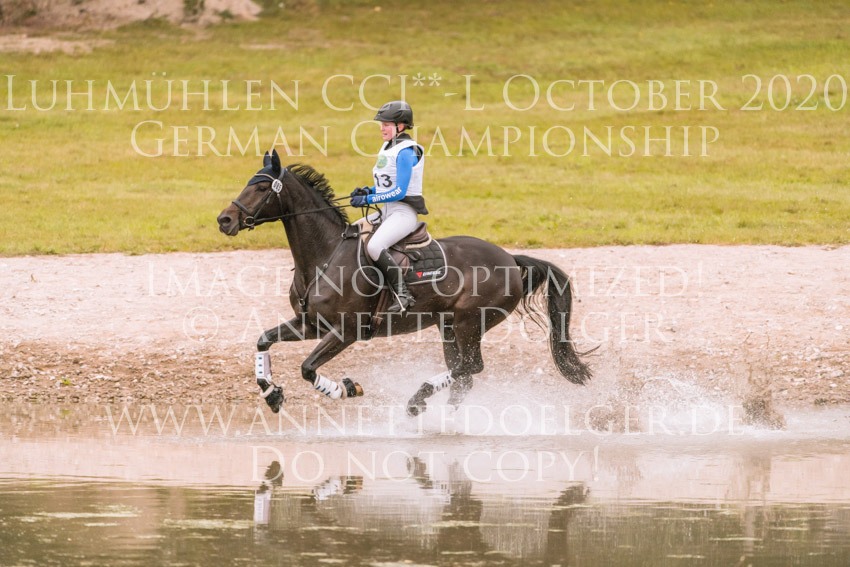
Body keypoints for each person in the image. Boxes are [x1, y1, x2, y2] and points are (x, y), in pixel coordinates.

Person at [350, 100, 427, 314]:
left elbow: (399, 192)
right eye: (381, 125)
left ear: (400, 126)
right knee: (351, 233)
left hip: (403, 213)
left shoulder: (406, 152)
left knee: (375, 246)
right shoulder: (388, 147)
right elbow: (386, 185)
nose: (382, 129)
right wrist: (368, 191)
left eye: (386, 125)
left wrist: (368, 200)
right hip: (387, 211)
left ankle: (403, 295)